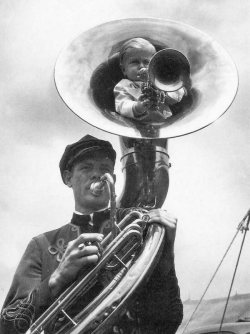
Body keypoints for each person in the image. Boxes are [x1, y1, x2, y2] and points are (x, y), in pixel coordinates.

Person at [0, 134, 183, 334]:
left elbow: (168, 322)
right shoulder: (41, 246)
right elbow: (8, 325)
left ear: (112, 177)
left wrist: (166, 256)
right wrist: (57, 278)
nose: (98, 175)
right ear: (68, 178)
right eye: (86, 168)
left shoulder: (139, 230)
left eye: (105, 169)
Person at [113, 38, 187, 122]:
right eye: (135, 62)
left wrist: (164, 90)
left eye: (146, 62)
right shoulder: (123, 85)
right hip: (138, 124)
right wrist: (137, 107)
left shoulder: (159, 79)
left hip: (166, 122)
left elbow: (177, 95)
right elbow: (121, 105)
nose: (142, 66)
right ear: (124, 70)